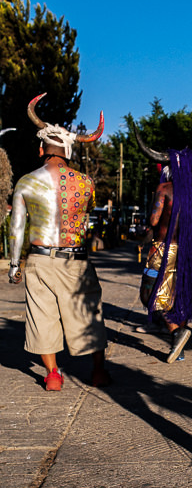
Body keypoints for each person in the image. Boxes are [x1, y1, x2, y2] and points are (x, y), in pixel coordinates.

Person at [8, 94, 110, 391]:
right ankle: (99, 372)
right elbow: (86, 215)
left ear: (42, 149)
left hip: (40, 259)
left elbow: (17, 227)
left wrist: (15, 264)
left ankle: (53, 375)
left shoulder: (26, 182)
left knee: (42, 316)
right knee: (89, 313)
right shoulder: (86, 183)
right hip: (75, 260)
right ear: (68, 152)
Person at [133, 123, 192, 363]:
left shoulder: (164, 189)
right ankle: (177, 346)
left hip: (161, 249)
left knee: (150, 295)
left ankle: (178, 332)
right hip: (187, 253)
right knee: (178, 294)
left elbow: (153, 219)